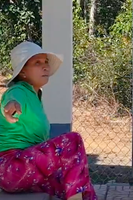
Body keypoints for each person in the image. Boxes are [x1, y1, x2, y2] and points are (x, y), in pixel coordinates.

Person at [0, 41, 97, 200]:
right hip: (11, 167)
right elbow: (10, 100)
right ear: (23, 72)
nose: (45, 66)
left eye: (46, 62)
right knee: (72, 140)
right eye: (37, 63)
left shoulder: (35, 95)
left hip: (26, 168)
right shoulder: (18, 90)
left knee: (82, 186)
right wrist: (11, 106)